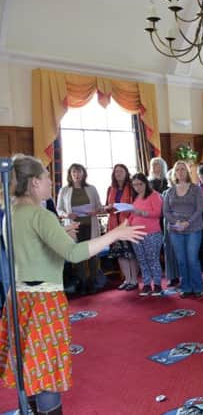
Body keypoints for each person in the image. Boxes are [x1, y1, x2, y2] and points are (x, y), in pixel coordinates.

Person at [0, 155, 145, 415]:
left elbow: (30, 249)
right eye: (45, 177)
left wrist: (59, 234)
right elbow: (75, 254)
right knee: (47, 369)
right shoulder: (41, 215)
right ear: (34, 183)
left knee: (31, 364)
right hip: (44, 301)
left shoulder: (11, 213)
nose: (49, 182)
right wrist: (115, 234)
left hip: (19, 298)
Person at [56, 164, 103, 295]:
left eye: (79, 172)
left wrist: (95, 211)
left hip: (91, 226)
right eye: (74, 172)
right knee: (78, 255)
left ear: (83, 174)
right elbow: (59, 209)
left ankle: (92, 282)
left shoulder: (91, 188)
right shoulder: (64, 190)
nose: (77, 175)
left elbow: (100, 206)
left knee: (93, 254)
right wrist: (67, 215)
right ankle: (81, 283)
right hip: (74, 228)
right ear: (70, 175)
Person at [162, 161, 203, 298]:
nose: (180, 172)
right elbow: (166, 211)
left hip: (193, 227)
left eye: (183, 169)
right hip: (175, 229)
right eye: (177, 170)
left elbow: (199, 209)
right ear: (174, 173)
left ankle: (197, 287)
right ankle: (186, 287)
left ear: (187, 172)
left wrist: (188, 222)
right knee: (181, 260)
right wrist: (176, 222)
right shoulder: (170, 191)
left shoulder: (196, 189)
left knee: (192, 258)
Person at [104, 164, 139, 291]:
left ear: (126, 173)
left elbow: (136, 205)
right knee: (120, 254)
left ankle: (134, 280)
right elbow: (107, 206)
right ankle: (127, 279)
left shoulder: (131, 187)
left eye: (121, 171)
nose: (118, 173)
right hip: (114, 224)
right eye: (116, 171)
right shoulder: (110, 188)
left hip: (128, 223)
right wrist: (108, 207)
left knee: (130, 253)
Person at [130, 173, 164, 296]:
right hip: (135, 233)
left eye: (140, 184)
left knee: (152, 259)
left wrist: (142, 213)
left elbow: (158, 213)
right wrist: (127, 224)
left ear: (146, 183)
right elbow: (132, 215)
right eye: (134, 185)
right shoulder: (136, 197)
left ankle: (158, 285)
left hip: (152, 233)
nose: (137, 187)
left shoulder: (154, 195)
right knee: (142, 260)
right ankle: (146, 284)